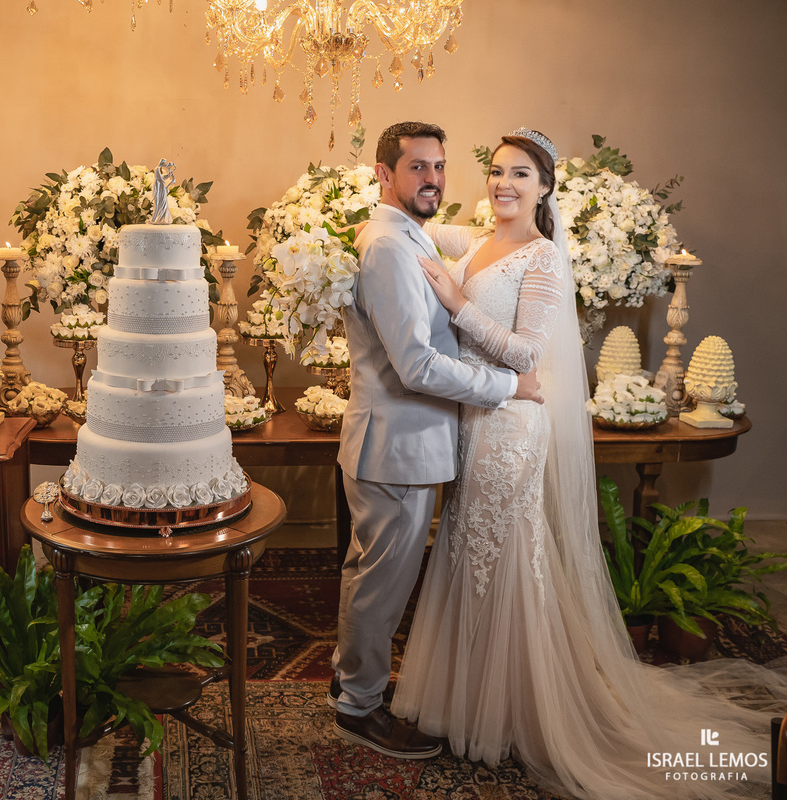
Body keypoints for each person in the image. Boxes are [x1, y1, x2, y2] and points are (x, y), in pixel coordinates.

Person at [395, 127, 787, 799]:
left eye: (520, 174)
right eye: (496, 171)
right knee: (468, 552)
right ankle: (466, 705)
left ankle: (519, 714)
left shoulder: (544, 259)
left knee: (505, 556)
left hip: (512, 425)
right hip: (470, 424)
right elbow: (424, 233)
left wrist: (456, 303)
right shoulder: (480, 239)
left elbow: (525, 354)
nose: (504, 183)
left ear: (545, 187)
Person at [331, 121, 542, 759]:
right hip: (397, 443)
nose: (433, 179)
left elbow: (478, 248)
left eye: (439, 166)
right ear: (384, 175)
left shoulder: (407, 233)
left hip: (399, 442)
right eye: (418, 167)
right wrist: (506, 386)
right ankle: (359, 705)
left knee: (370, 572)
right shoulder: (390, 247)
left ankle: (350, 679)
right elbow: (415, 366)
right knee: (382, 580)